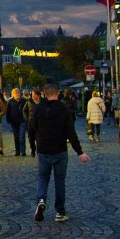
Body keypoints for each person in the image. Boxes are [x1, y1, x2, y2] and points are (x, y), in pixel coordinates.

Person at [29, 83, 90, 222]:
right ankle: (60, 212)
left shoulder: (38, 109)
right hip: (60, 151)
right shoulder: (64, 109)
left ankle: (41, 199)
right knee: (59, 181)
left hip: (43, 150)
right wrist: (80, 152)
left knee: (43, 177)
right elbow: (71, 133)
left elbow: (31, 129)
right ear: (57, 94)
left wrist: (33, 147)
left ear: (44, 94)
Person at [5, 88, 27, 156]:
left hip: (22, 121)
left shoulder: (24, 101)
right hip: (14, 122)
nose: (17, 94)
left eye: (18, 93)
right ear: (13, 95)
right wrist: (8, 120)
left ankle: (23, 151)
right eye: (16, 93)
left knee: (22, 136)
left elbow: (27, 110)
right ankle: (17, 151)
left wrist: (26, 118)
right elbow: (7, 111)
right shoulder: (10, 101)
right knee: (16, 137)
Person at [22, 89, 40, 157]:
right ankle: (33, 149)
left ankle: (39, 151)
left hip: (40, 124)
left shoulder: (43, 102)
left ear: (38, 95)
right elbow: (24, 110)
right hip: (31, 123)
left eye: (34, 94)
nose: (32, 96)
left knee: (39, 139)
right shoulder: (29, 102)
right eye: (32, 94)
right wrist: (26, 118)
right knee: (31, 139)